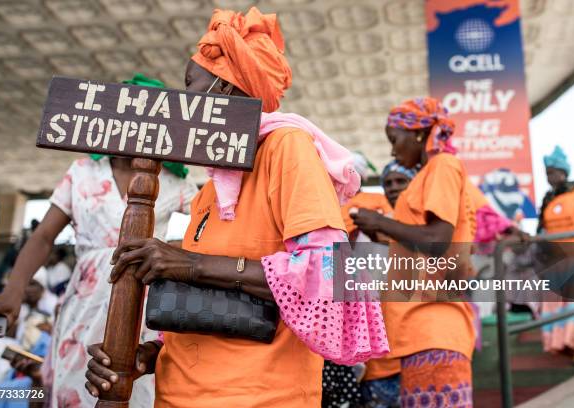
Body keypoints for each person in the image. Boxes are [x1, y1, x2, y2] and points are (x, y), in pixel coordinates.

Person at [85, 7, 389, 408]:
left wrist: (187, 263)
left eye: (191, 87)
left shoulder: (286, 148)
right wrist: (145, 357)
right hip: (179, 394)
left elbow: (323, 274)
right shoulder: (211, 188)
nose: (182, 102)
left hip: (260, 397)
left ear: (224, 92)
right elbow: (210, 306)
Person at [0, 74, 199, 408]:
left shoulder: (173, 181)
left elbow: (208, 231)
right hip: (85, 303)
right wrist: (14, 290)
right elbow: (44, 235)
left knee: (140, 389)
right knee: (75, 386)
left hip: (145, 307)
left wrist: (168, 250)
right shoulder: (82, 172)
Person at [350, 97, 476, 407]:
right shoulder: (427, 175)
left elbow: (436, 241)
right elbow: (420, 245)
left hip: (434, 328)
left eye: (394, 140)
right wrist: (379, 233)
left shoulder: (442, 165)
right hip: (420, 332)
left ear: (418, 134)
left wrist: (380, 221)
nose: (393, 151)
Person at [351, 160, 416, 408]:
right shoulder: (366, 221)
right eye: (388, 182)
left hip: (413, 353)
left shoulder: (426, 228)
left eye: (401, 181)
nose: (393, 187)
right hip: (376, 363)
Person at [537, 146, 574, 364]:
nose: (550, 177)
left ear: (563, 172)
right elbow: (542, 230)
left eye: (553, 172)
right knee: (555, 306)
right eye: (547, 173)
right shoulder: (547, 199)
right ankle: (567, 349)